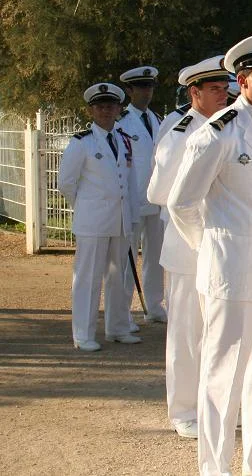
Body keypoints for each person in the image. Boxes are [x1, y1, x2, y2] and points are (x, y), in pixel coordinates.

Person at [167, 31, 252, 476]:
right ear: (242, 79)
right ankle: (215, 468)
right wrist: (211, 248)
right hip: (233, 271)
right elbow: (181, 202)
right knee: (224, 376)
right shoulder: (219, 132)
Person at [146, 57, 230, 438]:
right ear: (194, 92)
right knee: (185, 331)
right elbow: (158, 192)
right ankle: (183, 409)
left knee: (218, 330)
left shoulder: (226, 128)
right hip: (186, 246)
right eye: (214, 89)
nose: (223, 94)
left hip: (219, 244)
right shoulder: (181, 133)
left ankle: (215, 406)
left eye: (225, 87)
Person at [58, 83, 140, 352]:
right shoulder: (81, 142)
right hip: (93, 221)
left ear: (119, 108)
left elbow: (130, 181)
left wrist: (130, 215)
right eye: (101, 106)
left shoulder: (124, 139)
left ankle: (117, 328)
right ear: (91, 110)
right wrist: (85, 207)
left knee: (119, 277)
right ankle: (83, 334)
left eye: (111, 106)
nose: (106, 111)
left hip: (120, 220)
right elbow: (66, 183)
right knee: (88, 278)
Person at [117, 65, 166, 324]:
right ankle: (123, 313)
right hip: (133, 199)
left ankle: (155, 306)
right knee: (127, 260)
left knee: (155, 256)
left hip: (155, 199)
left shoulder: (157, 119)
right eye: (141, 88)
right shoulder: (122, 122)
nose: (146, 92)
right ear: (129, 90)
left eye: (150, 87)